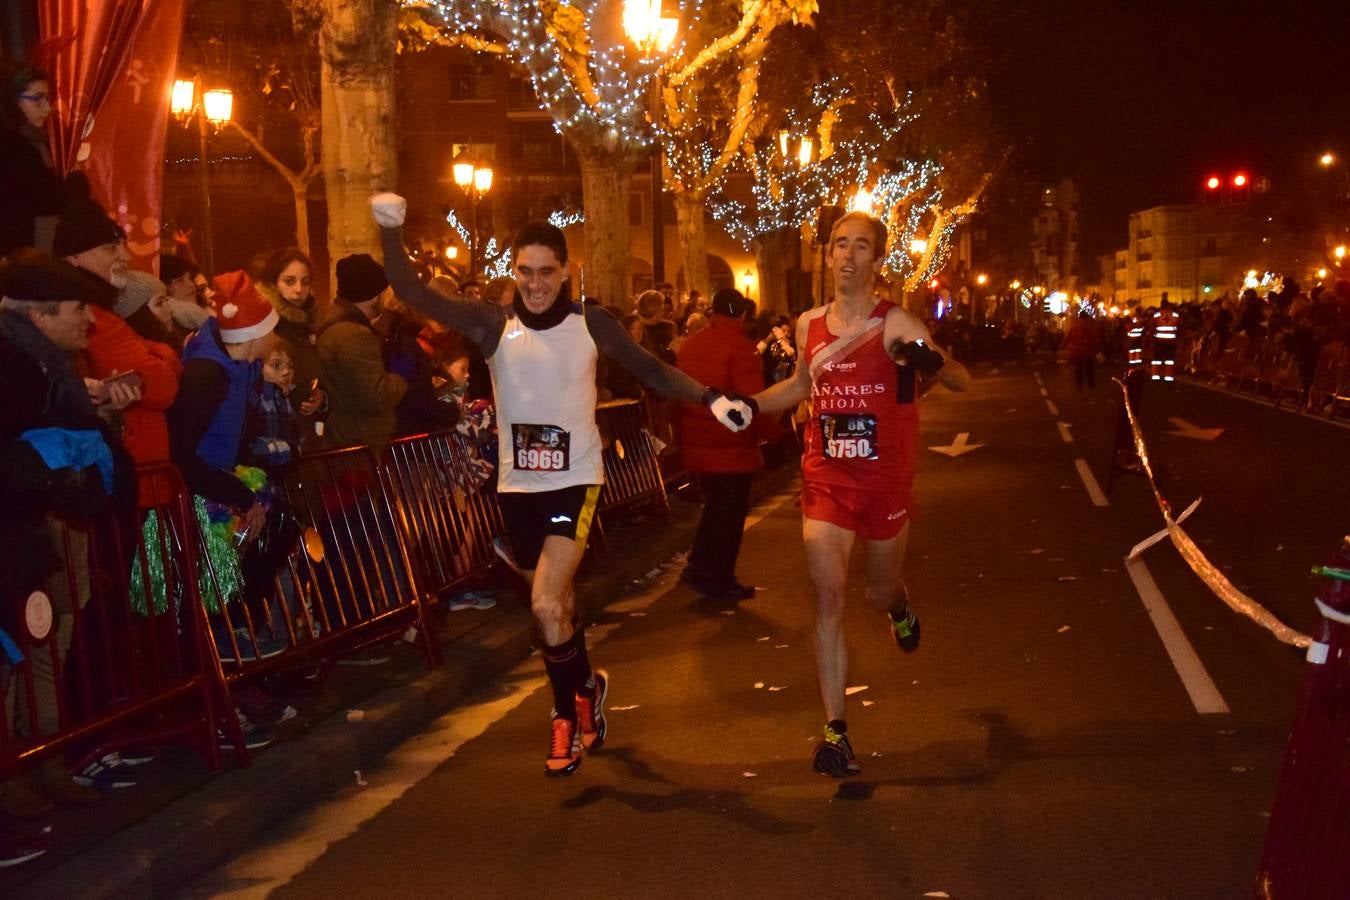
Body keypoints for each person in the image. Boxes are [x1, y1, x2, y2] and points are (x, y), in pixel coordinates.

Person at [371, 192, 751, 776]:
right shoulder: (492, 324)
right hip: (517, 488)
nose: (536, 284)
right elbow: (417, 294)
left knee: (547, 603)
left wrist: (709, 396)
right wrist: (389, 230)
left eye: (547, 272)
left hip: (576, 481)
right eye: (524, 272)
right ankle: (587, 688)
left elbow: (650, 369)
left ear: (566, 272)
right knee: (557, 610)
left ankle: (563, 719)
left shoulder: (588, 322)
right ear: (514, 271)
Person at [746, 211, 969, 777]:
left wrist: (932, 362)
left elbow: (963, 378)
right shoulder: (808, 325)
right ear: (827, 255)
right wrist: (744, 404)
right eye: (839, 245)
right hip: (826, 478)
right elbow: (799, 387)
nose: (847, 256)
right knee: (826, 595)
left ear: (877, 259)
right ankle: (835, 733)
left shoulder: (895, 324)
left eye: (861, 246)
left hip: (884, 482)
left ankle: (899, 605)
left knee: (876, 591)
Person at [676, 288, 780, 601]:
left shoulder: (692, 344)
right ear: (743, 314)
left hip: (698, 438)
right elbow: (753, 401)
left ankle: (701, 566)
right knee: (730, 515)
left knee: (715, 509)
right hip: (730, 442)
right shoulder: (741, 348)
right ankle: (718, 576)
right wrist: (774, 434)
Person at [314, 253, 408, 456]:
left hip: (345, 437)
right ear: (374, 296)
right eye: (384, 292)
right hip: (359, 444)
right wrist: (402, 376)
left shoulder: (334, 322)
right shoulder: (355, 337)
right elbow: (377, 396)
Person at [0, 63, 63, 256]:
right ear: (14, 101)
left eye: (48, 98)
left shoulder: (39, 141)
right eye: (37, 99)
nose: (48, 108)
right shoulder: (9, 146)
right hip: (18, 253)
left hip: (37, 247)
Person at [1061, 309, 1102, 389]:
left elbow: (1067, 337)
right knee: (1089, 368)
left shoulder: (1074, 326)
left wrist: (1061, 346)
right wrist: (1098, 348)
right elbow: (1095, 337)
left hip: (1076, 351)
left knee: (1078, 368)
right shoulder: (1091, 325)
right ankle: (1091, 384)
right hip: (1088, 350)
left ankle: (1079, 384)